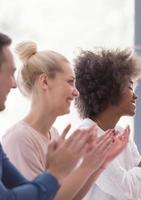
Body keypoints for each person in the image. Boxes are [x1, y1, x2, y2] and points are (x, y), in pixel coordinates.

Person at [2, 41, 130, 200]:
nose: (76, 92)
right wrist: (87, 165)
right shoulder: (20, 139)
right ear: (44, 81)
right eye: (70, 82)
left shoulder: (53, 135)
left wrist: (99, 163)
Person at [74, 48, 141, 200]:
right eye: (130, 87)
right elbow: (128, 192)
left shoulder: (120, 134)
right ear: (109, 90)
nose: (135, 96)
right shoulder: (87, 136)